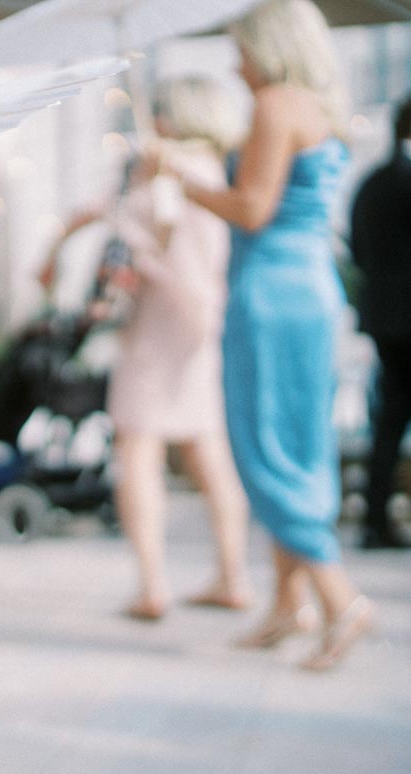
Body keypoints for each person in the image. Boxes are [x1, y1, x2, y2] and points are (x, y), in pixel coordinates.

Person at [159, 0, 373, 669]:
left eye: (241, 48)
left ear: (269, 46)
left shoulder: (277, 103)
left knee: (265, 447)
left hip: (271, 294)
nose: (235, 62)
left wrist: (180, 178)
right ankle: (289, 604)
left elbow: (253, 208)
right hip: (311, 290)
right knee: (299, 444)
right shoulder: (318, 108)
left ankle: (340, 601)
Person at [47, 77, 254, 620]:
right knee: (208, 446)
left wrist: (57, 251)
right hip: (203, 320)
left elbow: (120, 219)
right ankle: (233, 574)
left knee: (138, 446)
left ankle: (153, 584)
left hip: (157, 323)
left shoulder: (164, 172)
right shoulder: (218, 172)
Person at [349, 93, 411, 550]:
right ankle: (376, 517)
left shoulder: (370, 183)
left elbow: (357, 250)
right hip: (403, 317)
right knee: (389, 419)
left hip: (383, 318)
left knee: (388, 420)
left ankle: (375, 517)